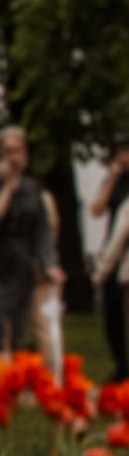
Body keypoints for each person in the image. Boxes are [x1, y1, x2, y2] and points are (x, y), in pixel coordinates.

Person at [0, 124, 52, 359]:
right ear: (0, 156)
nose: (15, 158)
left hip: (22, 264)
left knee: (17, 330)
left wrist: (49, 264)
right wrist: (7, 187)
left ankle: (15, 380)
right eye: (9, 152)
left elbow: (41, 230)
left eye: (19, 151)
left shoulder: (32, 188)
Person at [92, 141, 129, 386]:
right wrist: (111, 177)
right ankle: (122, 367)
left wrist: (100, 273)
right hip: (117, 257)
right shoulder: (117, 182)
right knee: (113, 314)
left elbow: (121, 233)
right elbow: (96, 209)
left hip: (122, 256)